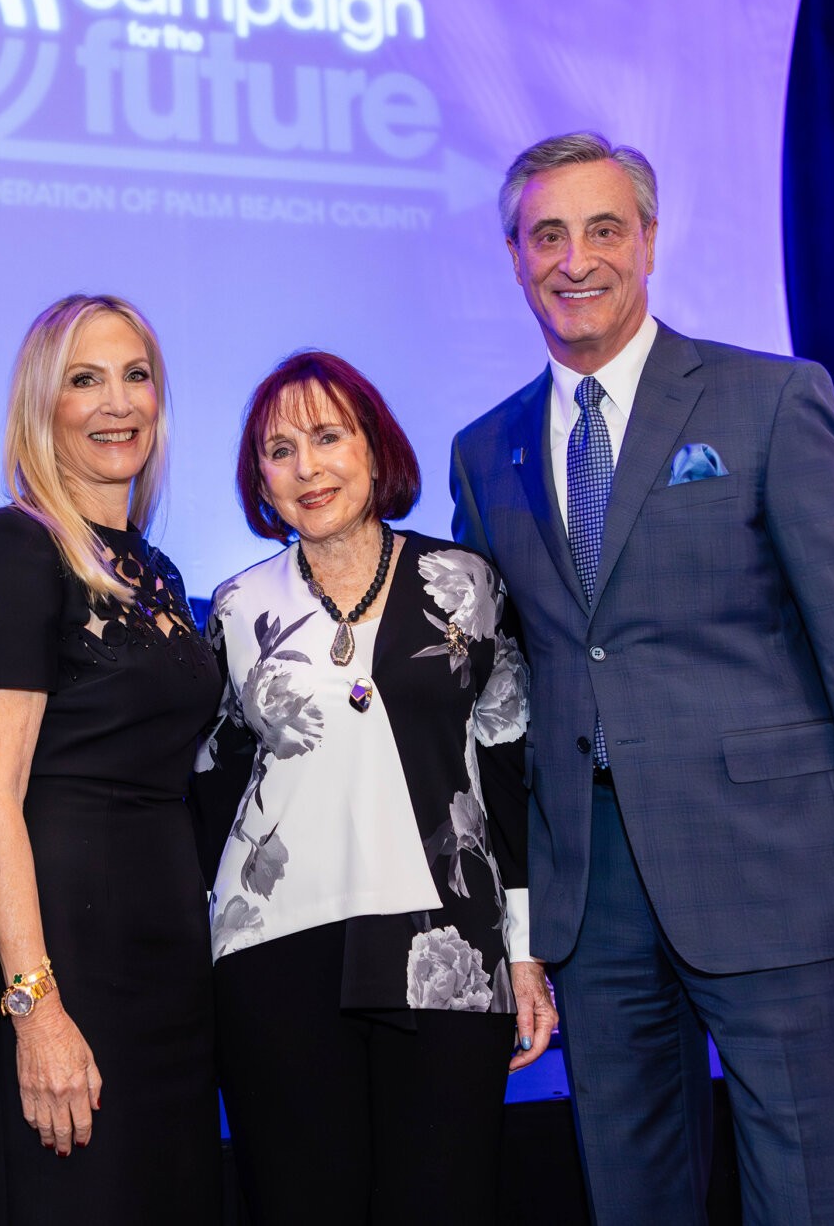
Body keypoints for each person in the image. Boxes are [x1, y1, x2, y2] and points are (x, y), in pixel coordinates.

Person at [451, 131, 834, 1224]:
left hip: (774, 874)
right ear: (514, 255)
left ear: (647, 240)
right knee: (633, 1198)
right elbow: (502, 692)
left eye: (603, 229)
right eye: (547, 234)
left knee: (814, 1199)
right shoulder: (483, 452)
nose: (575, 259)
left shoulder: (768, 401)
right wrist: (515, 924)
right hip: (592, 897)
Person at [192, 350, 556, 1224]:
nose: (307, 467)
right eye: (280, 451)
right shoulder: (236, 608)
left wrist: (525, 948)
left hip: (448, 947)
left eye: (329, 437)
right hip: (272, 951)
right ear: (260, 479)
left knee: (445, 1198)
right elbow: (210, 781)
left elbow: (507, 768)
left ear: (374, 446)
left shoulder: (466, 585)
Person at [0, 295, 222, 1226]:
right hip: (68, 959)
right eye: (85, 380)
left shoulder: (156, 572)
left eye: (135, 376)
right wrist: (36, 1007)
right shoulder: (12, 549)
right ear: (43, 405)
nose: (118, 403)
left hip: (169, 958)